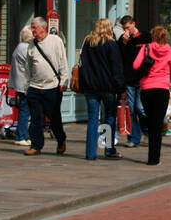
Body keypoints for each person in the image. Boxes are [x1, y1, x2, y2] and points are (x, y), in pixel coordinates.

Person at [19, 17, 69, 156]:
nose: (32, 30)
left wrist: (64, 81)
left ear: (43, 27)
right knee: (35, 118)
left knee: (54, 118)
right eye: (32, 28)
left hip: (52, 87)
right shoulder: (31, 45)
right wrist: (26, 86)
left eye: (34, 27)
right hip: (35, 87)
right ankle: (36, 146)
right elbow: (28, 68)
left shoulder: (55, 41)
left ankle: (61, 139)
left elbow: (63, 61)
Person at [132, 26, 171, 165]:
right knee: (158, 124)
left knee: (149, 119)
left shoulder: (146, 48)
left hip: (146, 88)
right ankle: (154, 158)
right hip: (162, 89)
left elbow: (135, 65)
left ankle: (149, 148)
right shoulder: (169, 51)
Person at [78, 18, 124, 161]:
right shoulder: (111, 44)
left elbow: (82, 64)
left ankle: (91, 152)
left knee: (92, 119)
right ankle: (109, 149)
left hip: (90, 86)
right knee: (109, 117)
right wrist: (121, 87)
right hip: (107, 87)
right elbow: (116, 69)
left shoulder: (88, 43)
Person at [117, 16, 150, 148]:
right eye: (124, 28)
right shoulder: (123, 40)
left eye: (128, 27)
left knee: (140, 108)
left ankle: (148, 131)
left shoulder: (145, 37)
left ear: (133, 24)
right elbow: (121, 58)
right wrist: (124, 43)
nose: (126, 30)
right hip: (129, 79)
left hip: (143, 78)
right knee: (131, 110)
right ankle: (133, 138)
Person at [8, 24, 33, 147]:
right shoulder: (24, 48)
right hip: (24, 85)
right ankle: (20, 135)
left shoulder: (22, 47)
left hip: (22, 84)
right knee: (25, 110)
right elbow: (32, 65)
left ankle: (24, 135)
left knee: (26, 110)